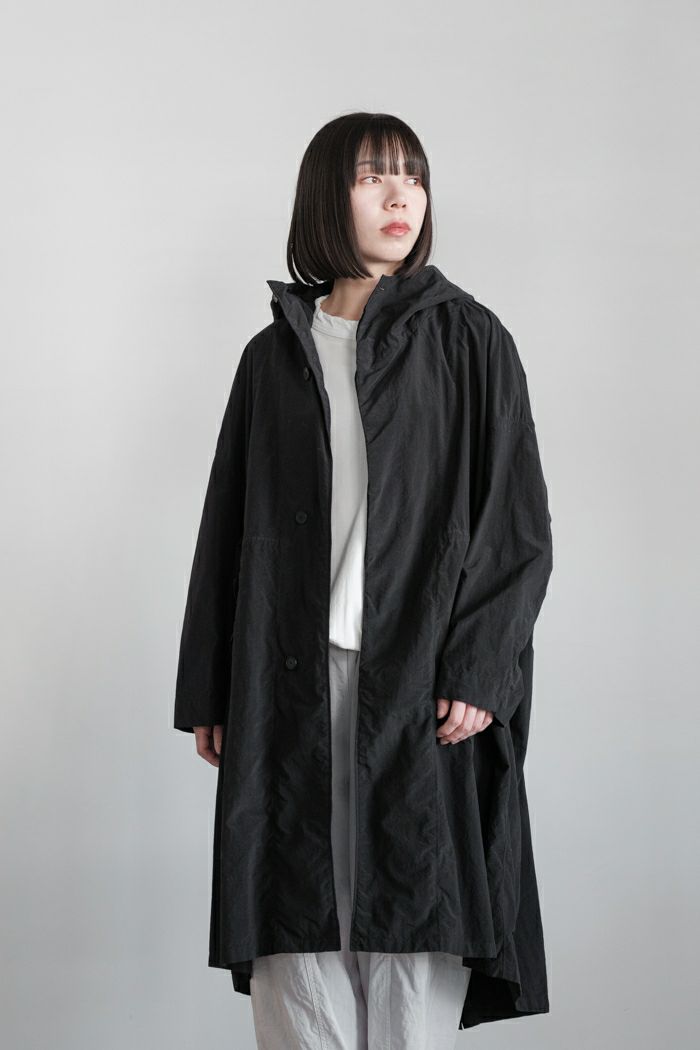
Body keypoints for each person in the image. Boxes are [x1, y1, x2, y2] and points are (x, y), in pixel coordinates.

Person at [174, 112, 554, 1047]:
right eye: (372, 175)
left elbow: (516, 525)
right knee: (295, 922)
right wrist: (213, 687)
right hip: (286, 681)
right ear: (324, 198)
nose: (399, 195)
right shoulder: (273, 356)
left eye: (412, 176)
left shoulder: (469, 339)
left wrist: (481, 668)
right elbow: (227, 527)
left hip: (419, 684)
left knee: (411, 915)